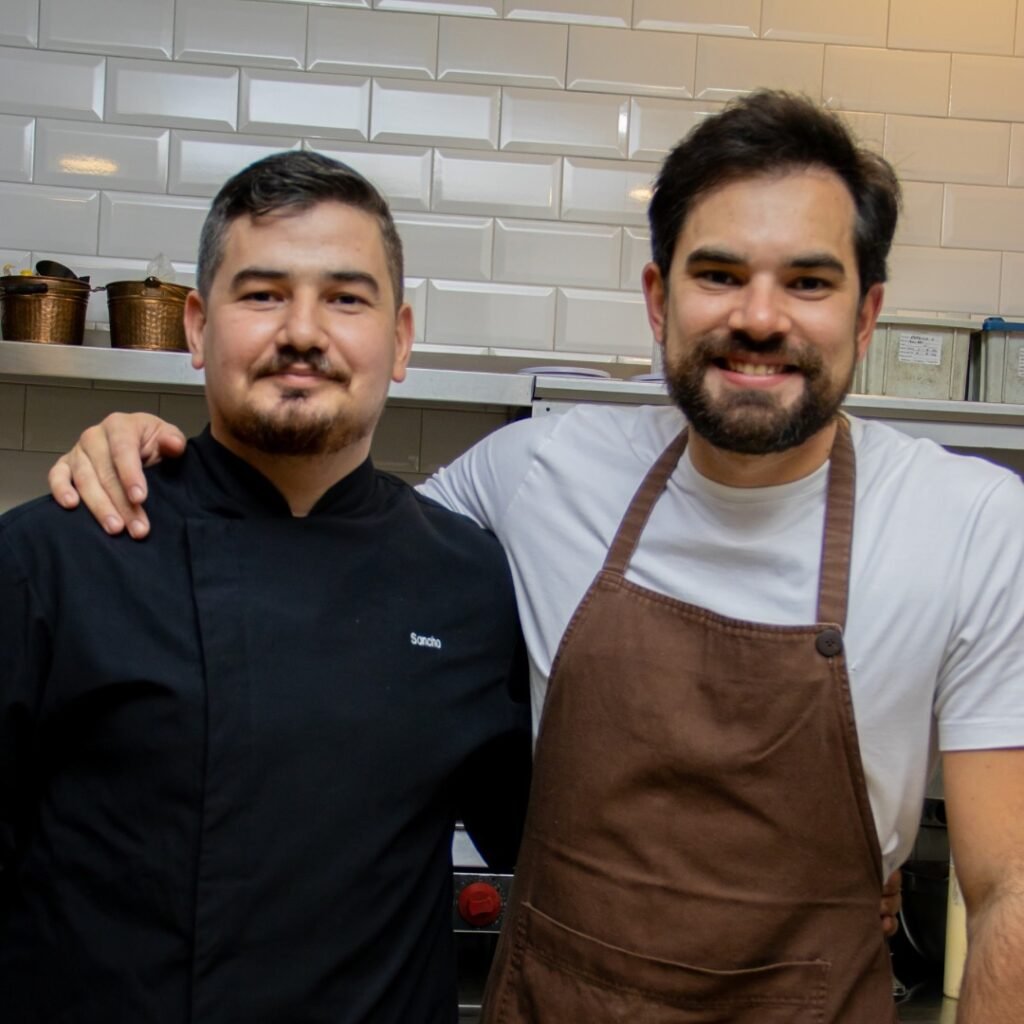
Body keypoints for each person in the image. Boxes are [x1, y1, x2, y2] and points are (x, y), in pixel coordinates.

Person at [47, 92, 1014, 1021]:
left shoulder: (970, 521)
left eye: (809, 281)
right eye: (717, 275)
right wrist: (157, 460)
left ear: (869, 311)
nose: (759, 317)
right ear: (657, 297)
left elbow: (1008, 885)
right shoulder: (535, 470)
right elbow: (320, 536)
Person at [0, 150, 533, 1023]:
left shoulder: (468, 579)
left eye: (346, 298)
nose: (303, 332)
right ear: (196, 328)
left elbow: (552, 850)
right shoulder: (55, 557)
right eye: (263, 294)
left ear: (398, 342)